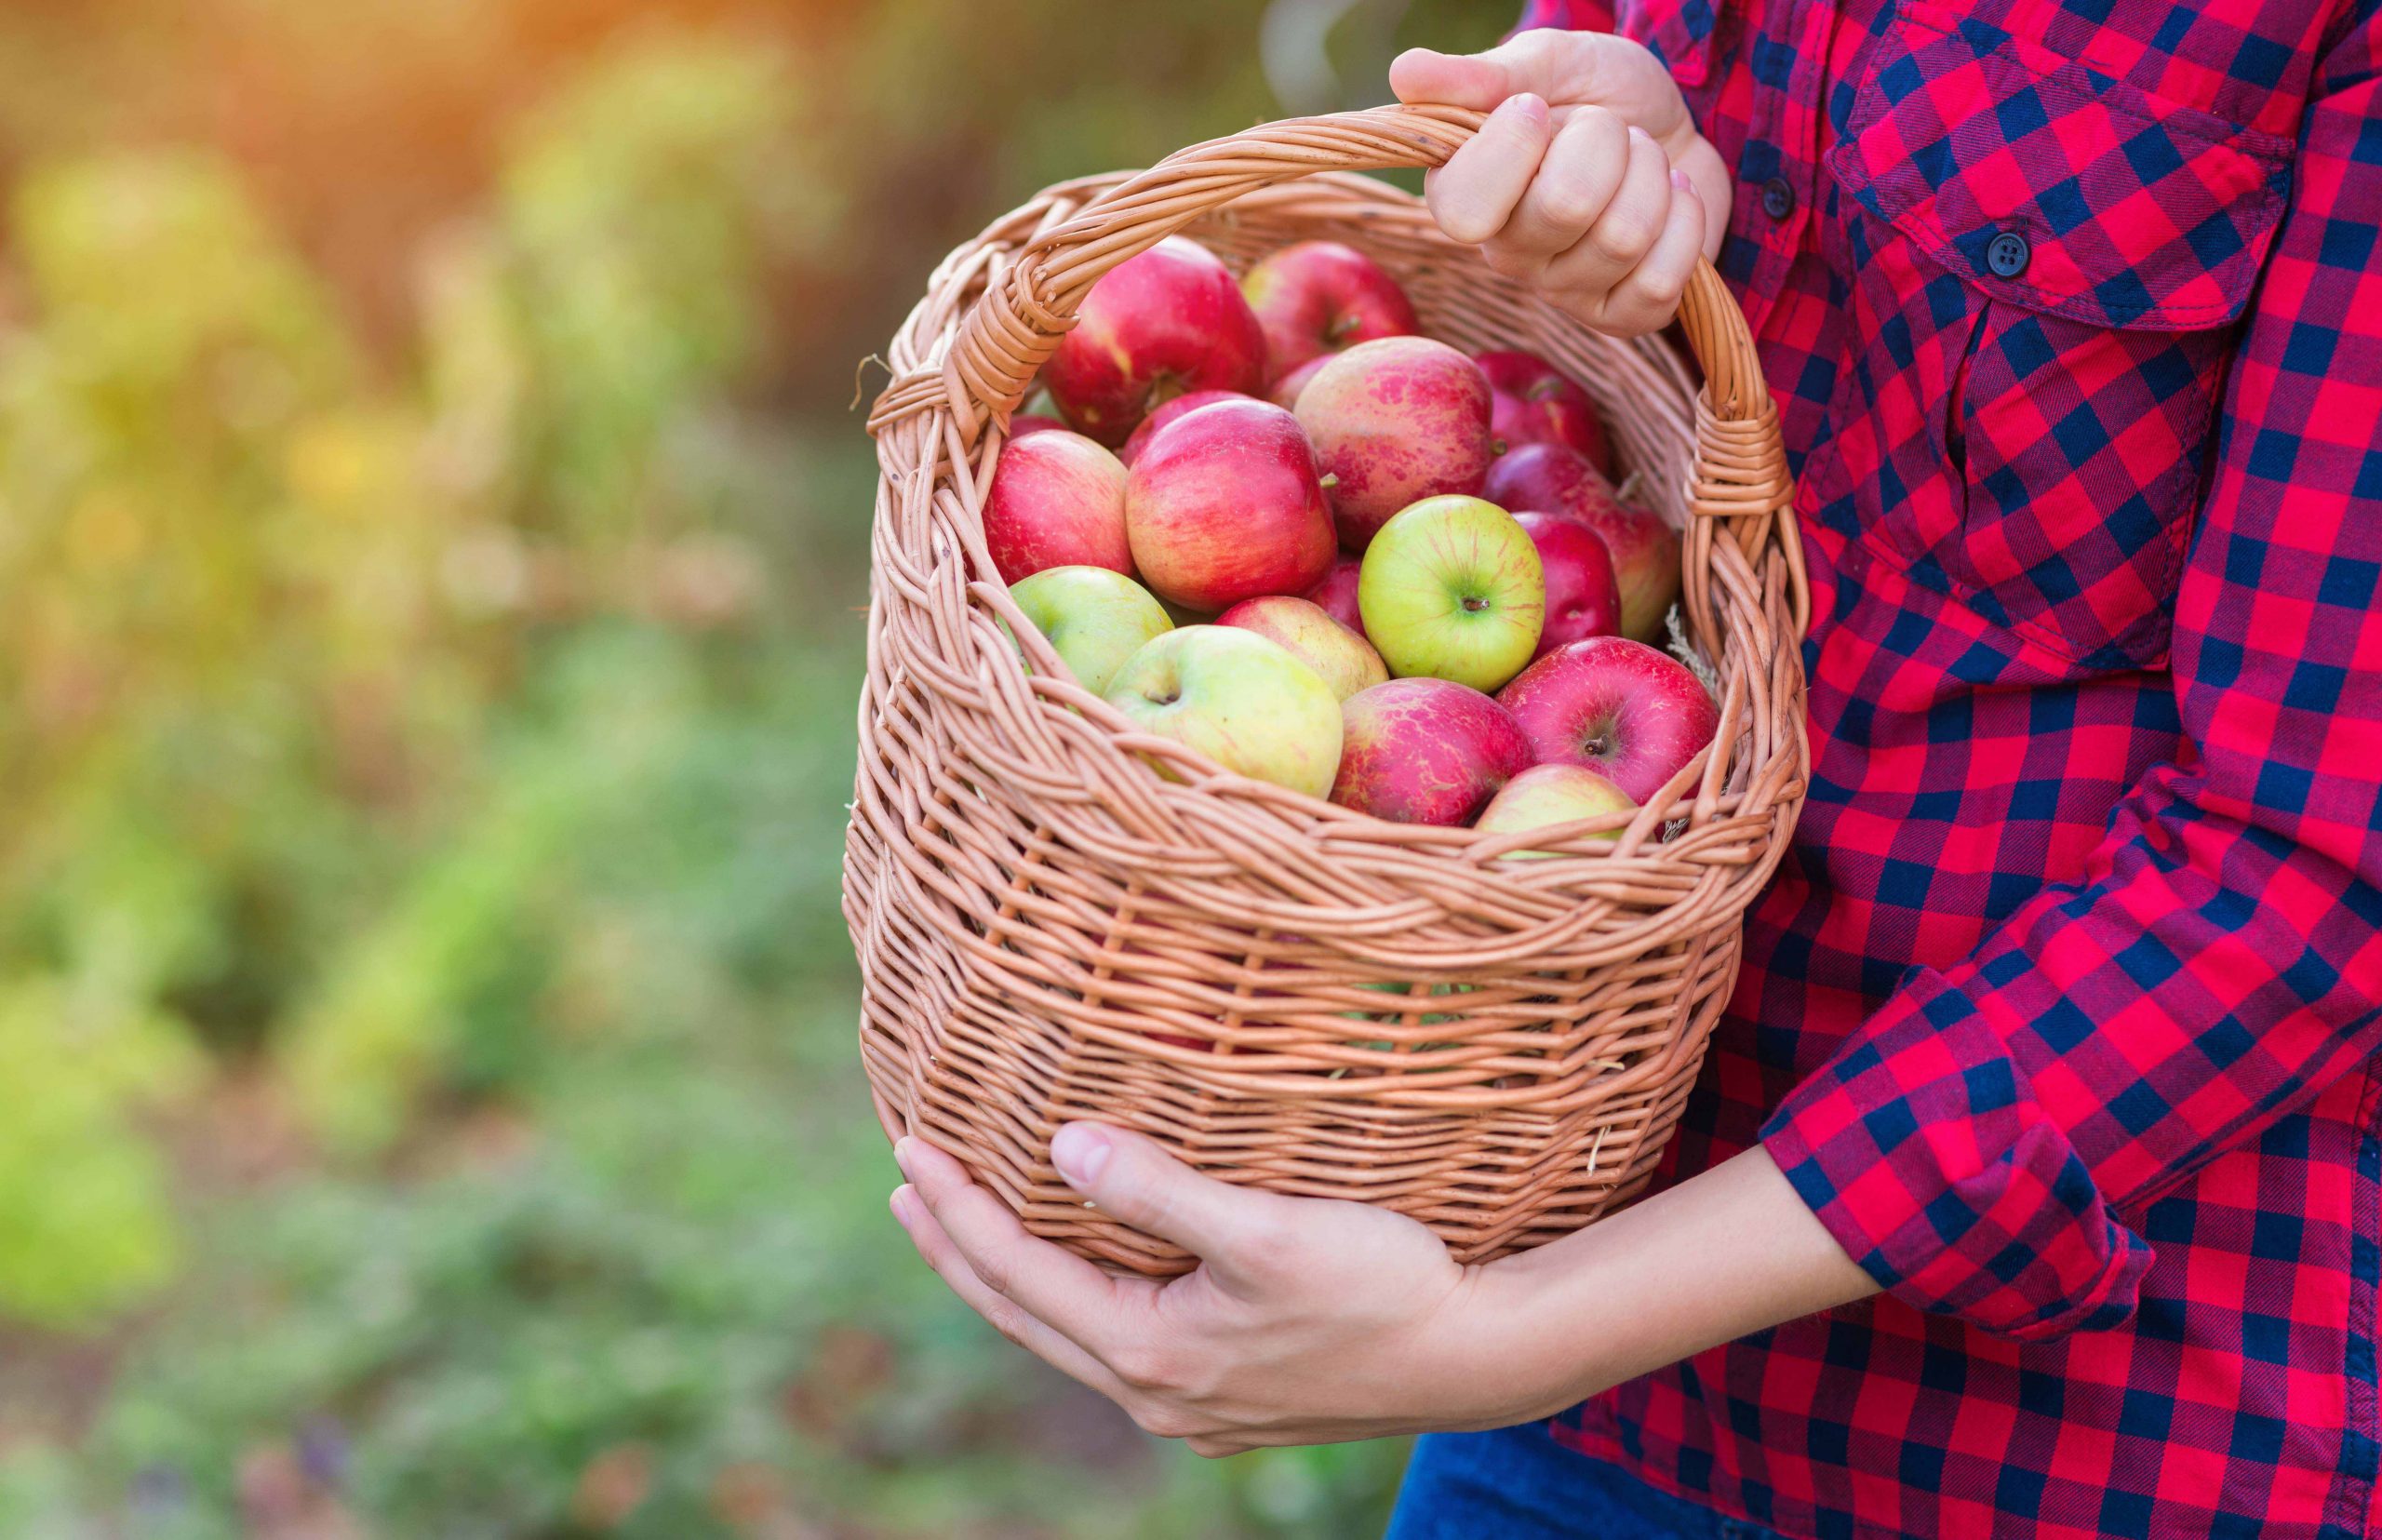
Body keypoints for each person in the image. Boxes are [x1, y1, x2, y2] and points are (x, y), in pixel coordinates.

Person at [886, 0, 2382, 1532]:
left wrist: (1514, 1340)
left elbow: (2314, 870)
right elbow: (1565, 414)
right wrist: (1631, 186)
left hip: (2076, 1434)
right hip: (1571, 1245)